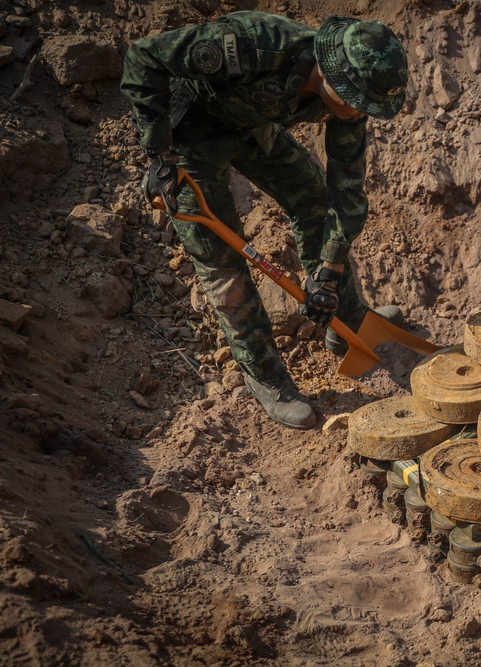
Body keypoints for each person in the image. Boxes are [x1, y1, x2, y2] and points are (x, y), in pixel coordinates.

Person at [121, 12, 408, 430]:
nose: (357, 112)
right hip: (191, 138)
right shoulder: (253, 44)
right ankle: (267, 376)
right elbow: (143, 58)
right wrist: (159, 151)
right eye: (353, 100)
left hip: (253, 127)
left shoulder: (353, 102)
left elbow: (346, 194)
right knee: (221, 259)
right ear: (329, 73)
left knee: (314, 198)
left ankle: (344, 320)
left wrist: (328, 271)